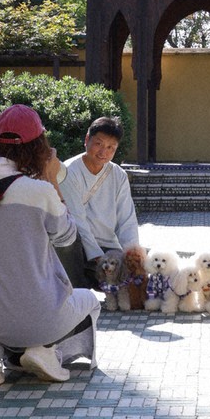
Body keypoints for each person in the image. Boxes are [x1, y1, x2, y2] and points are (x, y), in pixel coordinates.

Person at [0, 104, 101, 385]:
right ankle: (45, 351)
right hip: (40, 319)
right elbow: (68, 238)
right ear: (38, 146)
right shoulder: (40, 191)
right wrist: (51, 181)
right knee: (91, 301)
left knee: (4, 307)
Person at [57, 116, 139, 289]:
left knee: (134, 284)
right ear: (87, 139)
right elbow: (78, 220)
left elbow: (127, 220)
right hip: (79, 246)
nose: (103, 152)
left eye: (111, 147)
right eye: (99, 144)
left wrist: (132, 256)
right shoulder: (69, 172)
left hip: (108, 246)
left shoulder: (119, 175)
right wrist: (97, 257)